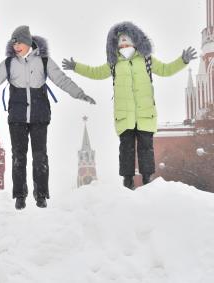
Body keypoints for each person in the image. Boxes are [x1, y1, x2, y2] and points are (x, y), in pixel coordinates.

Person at [0, 25, 95, 209]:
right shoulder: (9, 63)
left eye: (19, 42)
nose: (16, 46)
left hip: (39, 115)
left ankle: (41, 194)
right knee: (18, 157)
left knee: (40, 156)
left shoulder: (44, 61)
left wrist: (80, 94)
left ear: (28, 43)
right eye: (14, 43)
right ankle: (20, 195)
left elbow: (62, 80)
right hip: (18, 117)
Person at [62, 21, 197, 190]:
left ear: (135, 41)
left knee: (146, 148)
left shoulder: (146, 60)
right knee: (126, 148)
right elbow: (95, 72)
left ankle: (147, 179)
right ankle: (127, 180)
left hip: (145, 114)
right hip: (124, 115)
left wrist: (182, 61)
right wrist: (76, 67)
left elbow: (165, 70)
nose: (124, 45)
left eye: (127, 41)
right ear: (115, 45)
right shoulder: (114, 64)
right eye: (121, 42)